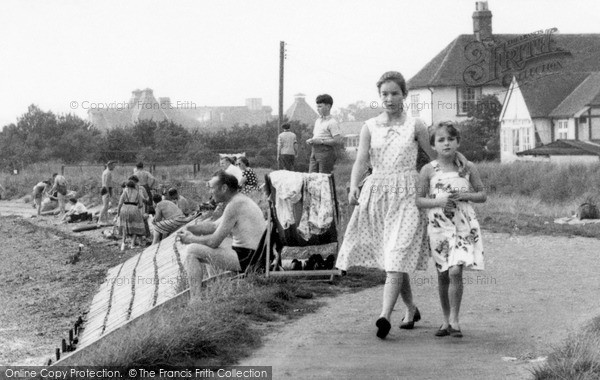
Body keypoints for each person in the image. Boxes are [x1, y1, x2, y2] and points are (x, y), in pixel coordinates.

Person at [335, 71, 437, 340]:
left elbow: (434, 155)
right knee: (394, 256)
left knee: (397, 252)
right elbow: (361, 159)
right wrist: (354, 185)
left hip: (407, 193)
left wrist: (456, 167)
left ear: (404, 94)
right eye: (384, 94)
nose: (389, 98)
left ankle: (384, 316)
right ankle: (411, 308)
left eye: (395, 93)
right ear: (379, 96)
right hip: (377, 193)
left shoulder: (416, 125)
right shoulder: (369, 125)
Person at [416, 122, 487, 338]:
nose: (446, 143)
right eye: (441, 140)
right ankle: (445, 320)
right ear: (433, 145)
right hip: (439, 226)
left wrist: (466, 196)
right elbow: (419, 200)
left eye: (450, 139)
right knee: (443, 274)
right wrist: (439, 200)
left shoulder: (467, 167)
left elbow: (482, 194)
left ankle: (455, 320)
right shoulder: (428, 169)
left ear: (458, 142)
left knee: (456, 270)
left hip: (463, 224)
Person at [178, 170, 266, 299]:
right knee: (203, 242)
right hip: (256, 254)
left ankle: (195, 300)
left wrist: (190, 238)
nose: (210, 192)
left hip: (250, 259)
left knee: (192, 251)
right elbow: (213, 226)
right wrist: (188, 227)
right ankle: (217, 287)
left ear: (224, 188)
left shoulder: (235, 205)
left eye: (212, 188)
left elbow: (214, 242)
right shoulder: (239, 200)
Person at [307, 94, 342, 174]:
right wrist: (312, 141)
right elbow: (316, 136)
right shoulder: (317, 121)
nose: (317, 109)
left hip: (326, 153)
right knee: (311, 177)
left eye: (320, 106)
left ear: (328, 107)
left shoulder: (332, 122)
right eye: (317, 107)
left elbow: (337, 140)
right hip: (314, 152)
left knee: (323, 178)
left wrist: (321, 141)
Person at [117, 180, 145, 251]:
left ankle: (123, 244)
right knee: (135, 226)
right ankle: (132, 244)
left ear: (127, 186)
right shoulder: (137, 193)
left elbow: (120, 203)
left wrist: (118, 212)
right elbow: (141, 205)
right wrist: (135, 208)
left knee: (124, 226)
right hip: (134, 208)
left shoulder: (124, 192)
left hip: (124, 209)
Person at [98, 161, 116, 226]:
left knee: (107, 206)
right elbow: (106, 184)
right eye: (113, 165)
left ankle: (106, 220)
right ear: (110, 165)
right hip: (106, 189)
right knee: (105, 206)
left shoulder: (106, 172)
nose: (114, 167)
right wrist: (108, 192)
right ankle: (100, 220)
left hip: (107, 189)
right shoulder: (107, 172)